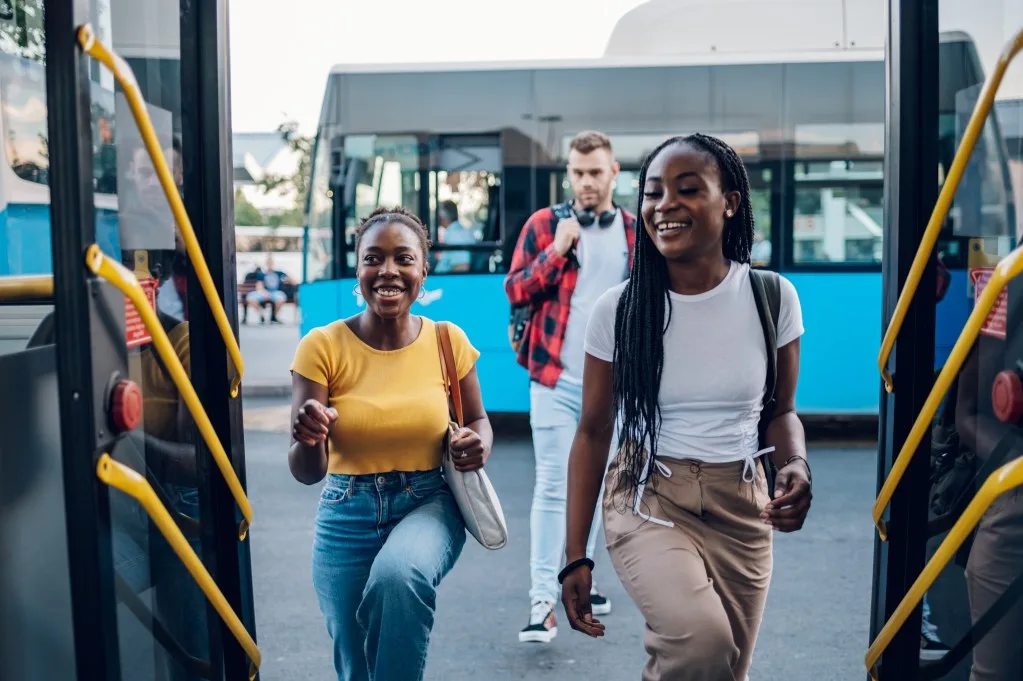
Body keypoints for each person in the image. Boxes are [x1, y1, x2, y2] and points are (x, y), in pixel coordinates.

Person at [559, 133, 812, 680]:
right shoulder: (620, 310)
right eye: (652, 193)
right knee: (701, 646)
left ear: (730, 202)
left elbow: (781, 412)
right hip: (649, 499)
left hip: (744, 508)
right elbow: (594, 431)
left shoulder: (772, 298)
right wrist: (574, 555)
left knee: (723, 671)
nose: (663, 205)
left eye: (687, 189)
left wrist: (795, 465)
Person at [288, 206, 493, 681]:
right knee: (355, 662)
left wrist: (477, 444)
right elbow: (306, 470)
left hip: (428, 501)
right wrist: (308, 435)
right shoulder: (321, 346)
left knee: (401, 576)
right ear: (357, 269)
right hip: (345, 510)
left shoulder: (448, 341)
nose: (388, 271)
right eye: (373, 258)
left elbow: (479, 419)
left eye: (403, 259)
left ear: (424, 269)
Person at [505, 130, 636, 643]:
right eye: (577, 173)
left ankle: (583, 575)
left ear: (613, 173)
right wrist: (556, 252)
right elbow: (515, 289)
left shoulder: (633, 230)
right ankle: (541, 601)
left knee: (602, 484)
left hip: (616, 386)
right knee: (553, 487)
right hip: (555, 379)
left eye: (595, 172)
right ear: (569, 175)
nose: (586, 182)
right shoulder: (545, 225)